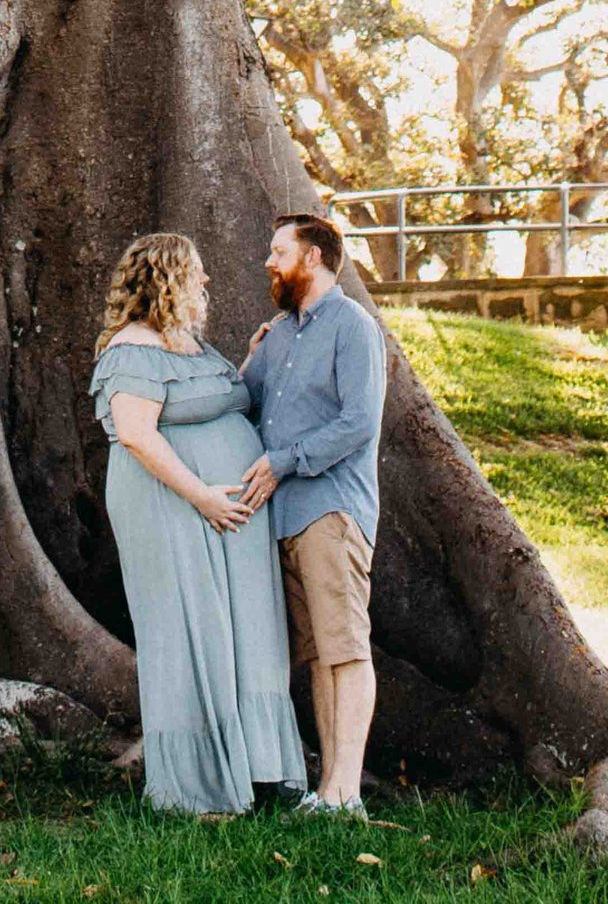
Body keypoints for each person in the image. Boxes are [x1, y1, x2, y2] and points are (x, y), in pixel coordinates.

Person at [89, 227, 308, 818]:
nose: (208, 280)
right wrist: (203, 496)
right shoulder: (131, 347)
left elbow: (202, 404)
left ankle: (255, 767)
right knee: (191, 628)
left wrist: (250, 362)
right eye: (198, 271)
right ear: (168, 278)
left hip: (227, 513)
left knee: (241, 629)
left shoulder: (190, 345)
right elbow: (136, 434)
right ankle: (196, 786)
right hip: (172, 506)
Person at [237, 210, 387, 817]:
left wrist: (283, 462)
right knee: (321, 654)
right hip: (285, 518)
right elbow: (244, 402)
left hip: (331, 509)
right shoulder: (280, 333)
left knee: (347, 648)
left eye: (278, 251)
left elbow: (359, 422)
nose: (268, 262)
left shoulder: (353, 326)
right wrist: (246, 359)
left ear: (314, 258)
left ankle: (345, 792)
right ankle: (329, 788)